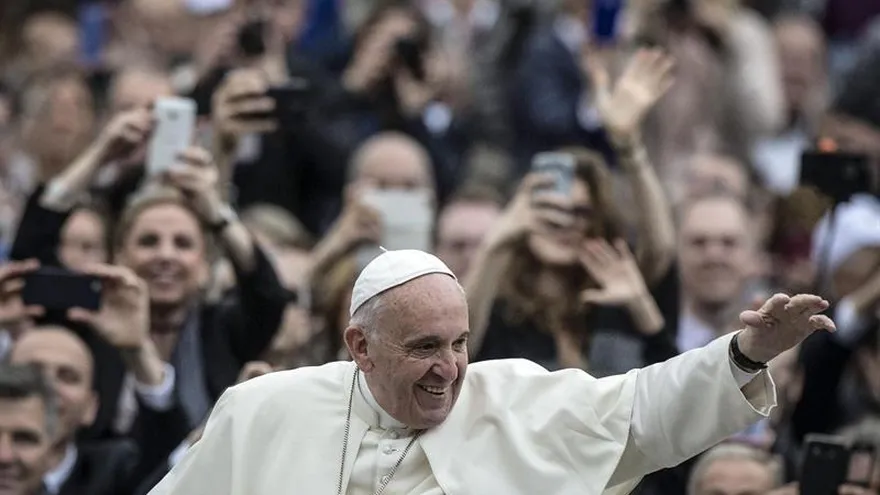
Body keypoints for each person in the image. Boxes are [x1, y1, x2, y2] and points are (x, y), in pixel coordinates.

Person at [150, 248, 835, 495]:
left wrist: (745, 352)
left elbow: (645, 410)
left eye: (460, 343)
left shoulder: (519, 400)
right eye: (424, 346)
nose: (448, 369)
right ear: (360, 345)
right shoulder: (263, 410)